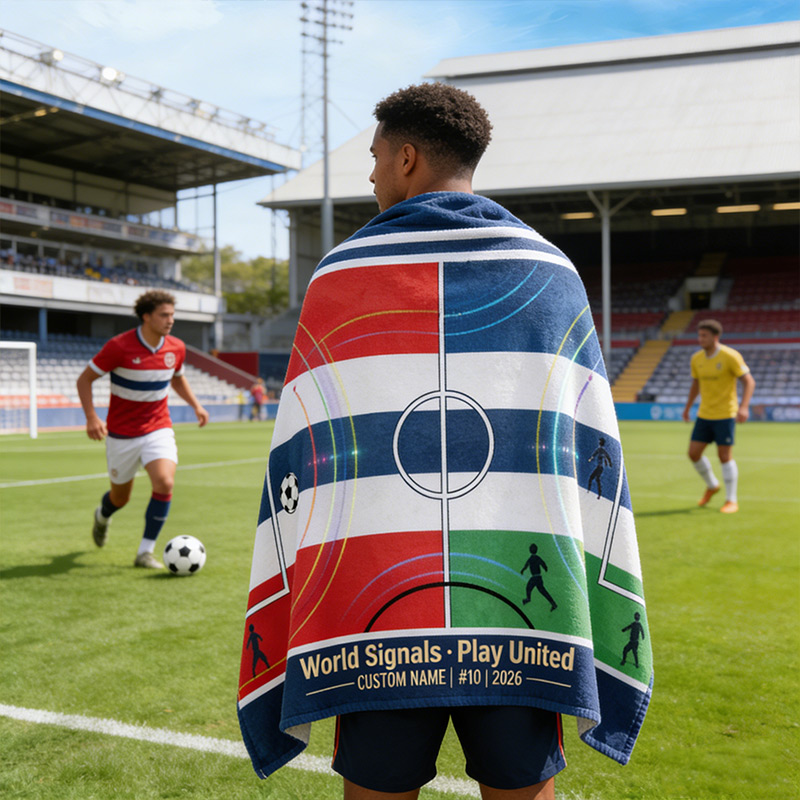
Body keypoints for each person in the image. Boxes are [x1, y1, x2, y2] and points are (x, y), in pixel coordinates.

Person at [238, 84, 652, 800]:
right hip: (522, 607)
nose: (369, 177)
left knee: (376, 786)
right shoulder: (551, 274)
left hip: (375, 597)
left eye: (373, 160)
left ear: (406, 158)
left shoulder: (339, 276)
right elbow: (589, 447)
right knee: (521, 786)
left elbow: (303, 452)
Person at [76, 290, 209, 568]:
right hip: (122, 434)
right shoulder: (119, 347)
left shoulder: (176, 348)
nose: (170, 320)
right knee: (119, 498)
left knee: (165, 482)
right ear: (146, 316)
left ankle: (144, 552)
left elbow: (177, 379)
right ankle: (102, 515)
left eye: (172, 315)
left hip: (158, 428)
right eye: (164, 315)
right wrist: (91, 417)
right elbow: (84, 379)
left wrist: (196, 405)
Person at [682, 319, 755, 514]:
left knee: (724, 456)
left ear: (715, 337)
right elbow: (695, 384)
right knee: (693, 453)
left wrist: (744, 407)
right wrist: (688, 407)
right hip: (704, 414)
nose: (700, 339)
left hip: (726, 414)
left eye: (704, 336)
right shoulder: (696, 359)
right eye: (699, 335)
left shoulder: (730, 356)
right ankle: (712, 485)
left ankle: (732, 500)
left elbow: (749, 381)